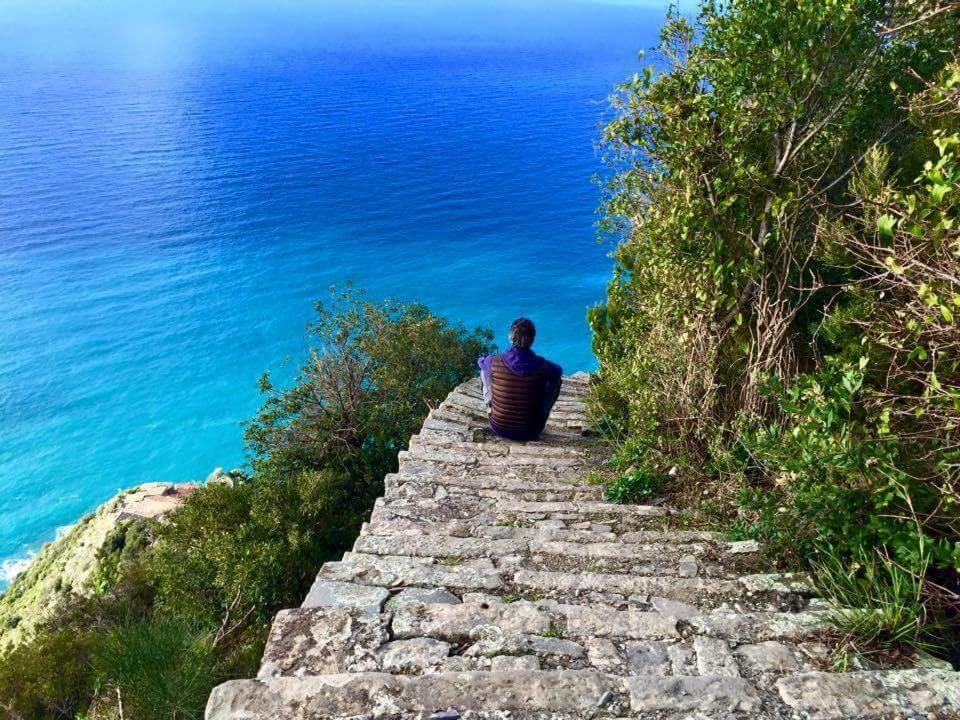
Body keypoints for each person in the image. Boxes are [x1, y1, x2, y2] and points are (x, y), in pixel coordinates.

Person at [478, 318, 562, 441]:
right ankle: (541, 412)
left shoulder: (493, 361)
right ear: (532, 340)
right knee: (555, 381)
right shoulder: (543, 366)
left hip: (498, 426)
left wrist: (484, 360)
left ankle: (490, 405)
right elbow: (558, 371)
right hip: (531, 430)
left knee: (484, 370)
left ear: (510, 337)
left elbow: (480, 362)